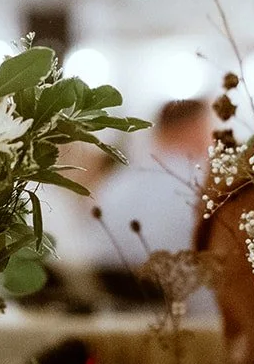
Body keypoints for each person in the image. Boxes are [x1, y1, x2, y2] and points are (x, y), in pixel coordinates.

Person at [75, 100, 215, 304]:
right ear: (196, 128)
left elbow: (96, 256)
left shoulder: (115, 185)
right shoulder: (203, 188)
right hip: (196, 318)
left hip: (120, 314)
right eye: (211, 129)